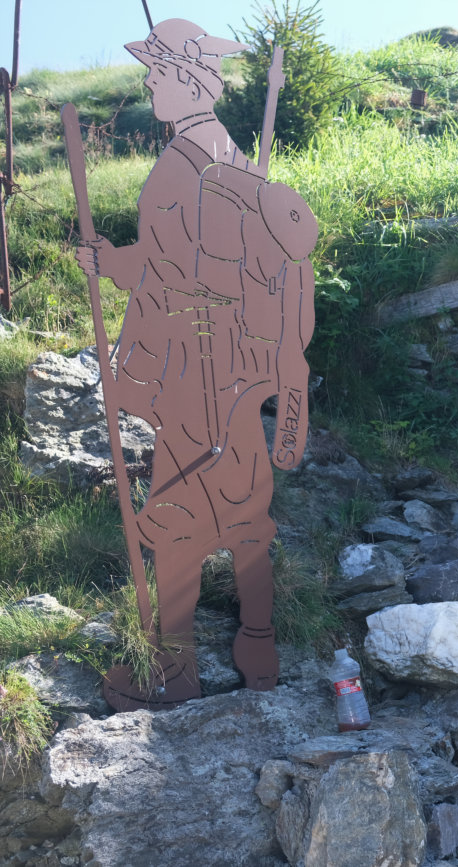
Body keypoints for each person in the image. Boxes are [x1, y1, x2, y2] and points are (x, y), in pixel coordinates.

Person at [75, 19, 316, 711]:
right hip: (238, 371)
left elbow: (168, 271)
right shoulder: (232, 154)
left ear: (184, 76)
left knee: (178, 510)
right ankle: (259, 653)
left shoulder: (184, 163)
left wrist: (109, 264)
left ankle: (174, 675)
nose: (150, 84)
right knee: (244, 507)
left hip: (191, 368)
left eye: (156, 73)